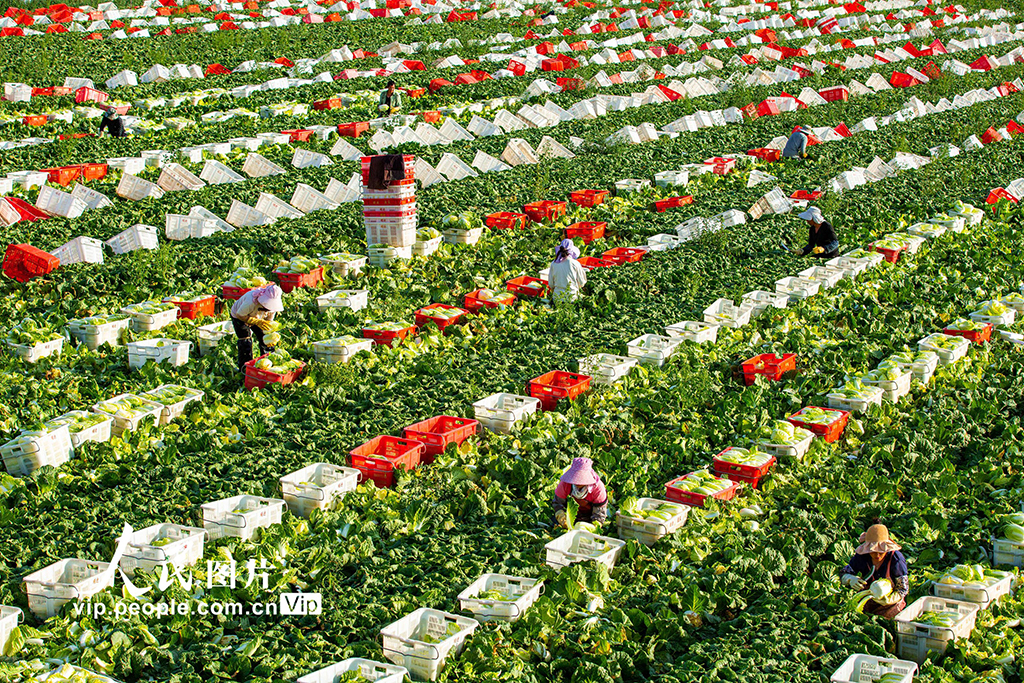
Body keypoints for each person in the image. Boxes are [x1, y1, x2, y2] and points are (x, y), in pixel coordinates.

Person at [839, 524, 909, 619]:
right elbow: (843, 573)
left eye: (881, 552)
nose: (877, 555)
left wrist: (889, 600)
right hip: (866, 603)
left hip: (890, 607)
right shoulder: (861, 557)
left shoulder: (896, 559)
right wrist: (849, 579)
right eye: (873, 551)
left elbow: (903, 589)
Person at [230, 283, 284, 372]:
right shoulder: (251, 301)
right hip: (239, 316)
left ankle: (267, 362)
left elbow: (268, 322)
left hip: (259, 318)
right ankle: (244, 368)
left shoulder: (273, 308)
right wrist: (255, 321)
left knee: (264, 338)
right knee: (245, 341)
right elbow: (240, 315)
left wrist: (270, 336)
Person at [553, 457, 609, 528]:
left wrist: (593, 528)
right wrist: (562, 518)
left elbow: (599, 514)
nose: (578, 482)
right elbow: (558, 503)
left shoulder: (598, 488)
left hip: (589, 518)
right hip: (569, 518)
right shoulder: (565, 484)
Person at [548, 238, 587, 305]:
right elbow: (581, 282)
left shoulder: (554, 264)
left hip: (557, 299)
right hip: (572, 299)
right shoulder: (574, 263)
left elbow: (551, 284)